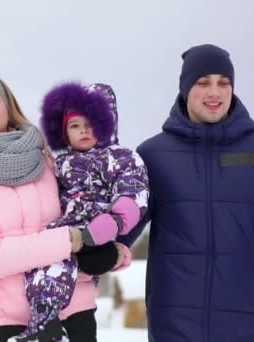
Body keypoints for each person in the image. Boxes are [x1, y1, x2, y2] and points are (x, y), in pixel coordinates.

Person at [118, 44, 254, 341]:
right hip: (174, 325)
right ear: (185, 88)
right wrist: (90, 253)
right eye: (203, 82)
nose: (214, 93)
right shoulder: (152, 155)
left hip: (247, 324)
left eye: (224, 83)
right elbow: (122, 225)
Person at [0, 71, 132, 342]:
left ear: (7, 105)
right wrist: (69, 241)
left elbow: (80, 214)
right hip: (8, 320)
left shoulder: (46, 161)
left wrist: (106, 250)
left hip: (74, 308)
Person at [9, 82, 149, 342]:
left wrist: (111, 224)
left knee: (63, 265)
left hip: (98, 226)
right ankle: (45, 325)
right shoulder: (61, 162)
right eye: (75, 125)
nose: (83, 130)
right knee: (42, 270)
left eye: (91, 123)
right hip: (66, 230)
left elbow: (134, 194)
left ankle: (47, 327)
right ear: (64, 132)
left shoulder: (120, 157)